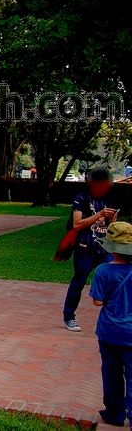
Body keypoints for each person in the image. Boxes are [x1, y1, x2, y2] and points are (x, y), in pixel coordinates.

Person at [64, 167, 118, 331]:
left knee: (114, 280)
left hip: (104, 249)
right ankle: (69, 316)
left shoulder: (109, 199)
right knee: (79, 281)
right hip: (85, 247)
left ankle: (114, 318)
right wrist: (99, 214)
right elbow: (77, 224)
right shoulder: (82, 198)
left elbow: (112, 226)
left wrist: (112, 218)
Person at [90, 222, 132, 427]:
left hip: (110, 332)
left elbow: (98, 301)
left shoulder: (103, 271)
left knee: (112, 374)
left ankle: (115, 413)